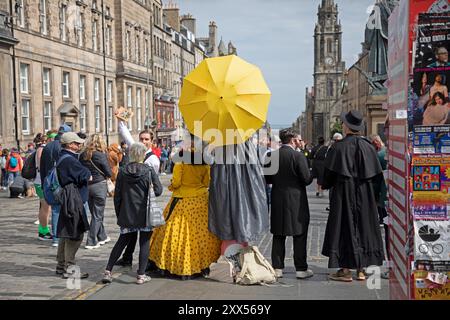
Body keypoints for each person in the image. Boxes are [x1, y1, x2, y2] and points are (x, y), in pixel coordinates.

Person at [321, 110, 384, 282]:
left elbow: (328, 176)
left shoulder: (338, 147)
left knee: (344, 227)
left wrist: (326, 184)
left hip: (343, 193)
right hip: (365, 193)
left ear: (347, 127)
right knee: (364, 227)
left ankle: (345, 270)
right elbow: (377, 176)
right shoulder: (369, 147)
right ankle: (361, 270)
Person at [149, 137, 221, 280]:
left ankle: (177, 264)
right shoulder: (204, 163)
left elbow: (176, 182)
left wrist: (171, 185)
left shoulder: (181, 161)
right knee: (200, 235)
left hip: (182, 199)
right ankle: (200, 265)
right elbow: (207, 183)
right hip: (200, 200)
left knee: (175, 233)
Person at [102, 143, 162, 285]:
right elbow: (159, 191)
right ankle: (141, 275)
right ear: (143, 155)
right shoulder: (148, 170)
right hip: (145, 213)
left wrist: (119, 214)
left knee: (122, 241)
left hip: (127, 212)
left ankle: (108, 271)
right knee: (144, 243)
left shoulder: (123, 171)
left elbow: (117, 196)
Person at [265, 129, 313, 279]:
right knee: (299, 234)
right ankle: (301, 269)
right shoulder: (298, 156)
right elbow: (306, 179)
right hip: (296, 199)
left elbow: (268, 179)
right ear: (292, 140)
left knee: (278, 233)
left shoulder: (271, 156)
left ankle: (277, 267)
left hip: (278, 198)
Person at [114, 114, 160, 267]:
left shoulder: (153, 160)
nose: (144, 141)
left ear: (152, 142)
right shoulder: (136, 150)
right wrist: (121, 121)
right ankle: (127, 257)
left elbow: (155, 185)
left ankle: (142, 264)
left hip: (143, 201)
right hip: (131, 199)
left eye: (147, 139)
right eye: (142, 139)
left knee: (140, 235)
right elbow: (127, 136)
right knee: (130, 233)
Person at [208, 139, 269, 254]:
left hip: (225, 192)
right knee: (239, 229)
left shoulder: (219, 144)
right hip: (240, 193)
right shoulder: (246, 145)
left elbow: (211, 164)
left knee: (228, 226)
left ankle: (232, 263)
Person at [55, 132, 91, 279]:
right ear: (70, 144)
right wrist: (87, 172)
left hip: (67, 196)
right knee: (75, 233)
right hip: (73, 197)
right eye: (77, 143)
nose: (79, 145)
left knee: (66, 232)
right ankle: (69, 269)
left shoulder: (61, 156)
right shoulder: (70, 160)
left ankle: (61, 266)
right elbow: (86, 175)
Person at [40, 124, 72, 247]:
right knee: (65, 209)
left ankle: (55, 238)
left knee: (55, 210)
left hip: (49, 181)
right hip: (63, 182)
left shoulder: (48, 146)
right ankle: (63, 235)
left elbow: (42, 167)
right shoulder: (65, 147)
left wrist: (43, 183)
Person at [80, 134, 113, 249]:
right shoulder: (100, 155)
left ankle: (102, 236)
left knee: (95, 213)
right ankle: (91, 241)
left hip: (87, 186)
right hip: (99, 185)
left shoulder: (83, 155)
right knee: (98, 214)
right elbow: (109, 172)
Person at [33, 133, 53, 240]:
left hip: (40, 180)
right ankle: (43, 232)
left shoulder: (40, 148)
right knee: (45, 207)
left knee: (43, 206)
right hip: (41, 181)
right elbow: (41, 166)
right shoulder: (42, 149)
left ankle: (43, 230)